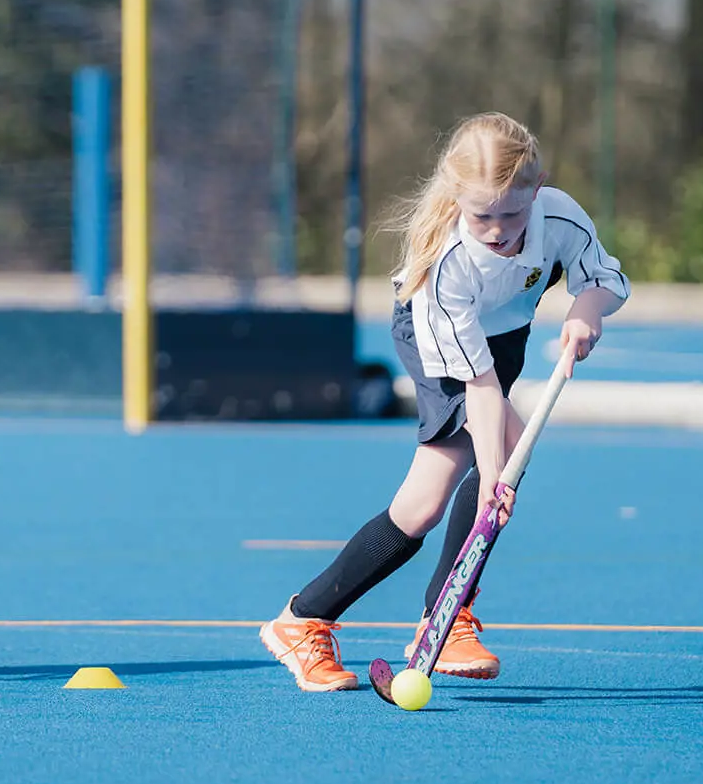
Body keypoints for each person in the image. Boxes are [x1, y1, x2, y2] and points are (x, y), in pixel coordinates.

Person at [260, 112, 628, 691]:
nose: (499, 230)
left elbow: (603, 278)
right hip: (440, 337)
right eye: (482, 214)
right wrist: (491, 480)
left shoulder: (557, 214)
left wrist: (586, 310)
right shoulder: (447, 263)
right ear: (456, 196)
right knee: (488, 462)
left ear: (538, 186)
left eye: (513, 213)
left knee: (440, 494)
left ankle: (317, 619)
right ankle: (422, 617)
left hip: (504, 336)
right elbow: (478, 385)